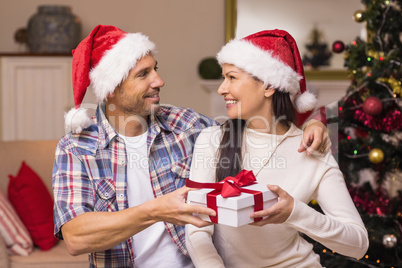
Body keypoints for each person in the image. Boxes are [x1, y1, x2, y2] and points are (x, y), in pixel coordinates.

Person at [52, 25, 330, 267]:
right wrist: (155, 210)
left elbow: (260, 128)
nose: (159, 81)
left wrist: (311, 123)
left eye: (155, 70)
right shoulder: (77, 148)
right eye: (143, 74)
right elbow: (76, 237)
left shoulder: (187, 125)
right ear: (112, 88)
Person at [185, 29, 369, 268]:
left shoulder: (311, 149)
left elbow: (358, 243)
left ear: (269, 85)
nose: (221, 88)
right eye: (223, 78)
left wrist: (296, 212)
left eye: (231, 77)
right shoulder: (212, 140)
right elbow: (196, 228)